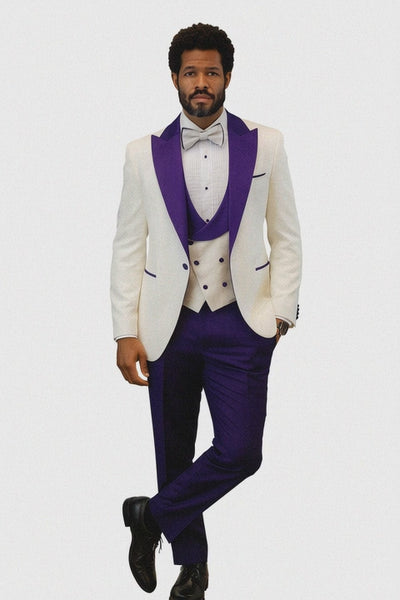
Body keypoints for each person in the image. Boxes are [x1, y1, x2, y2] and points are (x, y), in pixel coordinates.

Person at [110, 22, 301, 599]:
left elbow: (286, 235)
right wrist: (124, 331)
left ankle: (150, 517)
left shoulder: (266, 144)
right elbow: (128, 246)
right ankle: (192, 565)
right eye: (190, 72)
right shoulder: (142, 154)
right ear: (174, 78)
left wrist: (281, 313)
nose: (201, 83)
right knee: (174, 447)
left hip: (243, 321)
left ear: (227, 77)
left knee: (240, 451)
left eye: (211, 72)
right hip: (168, 323)